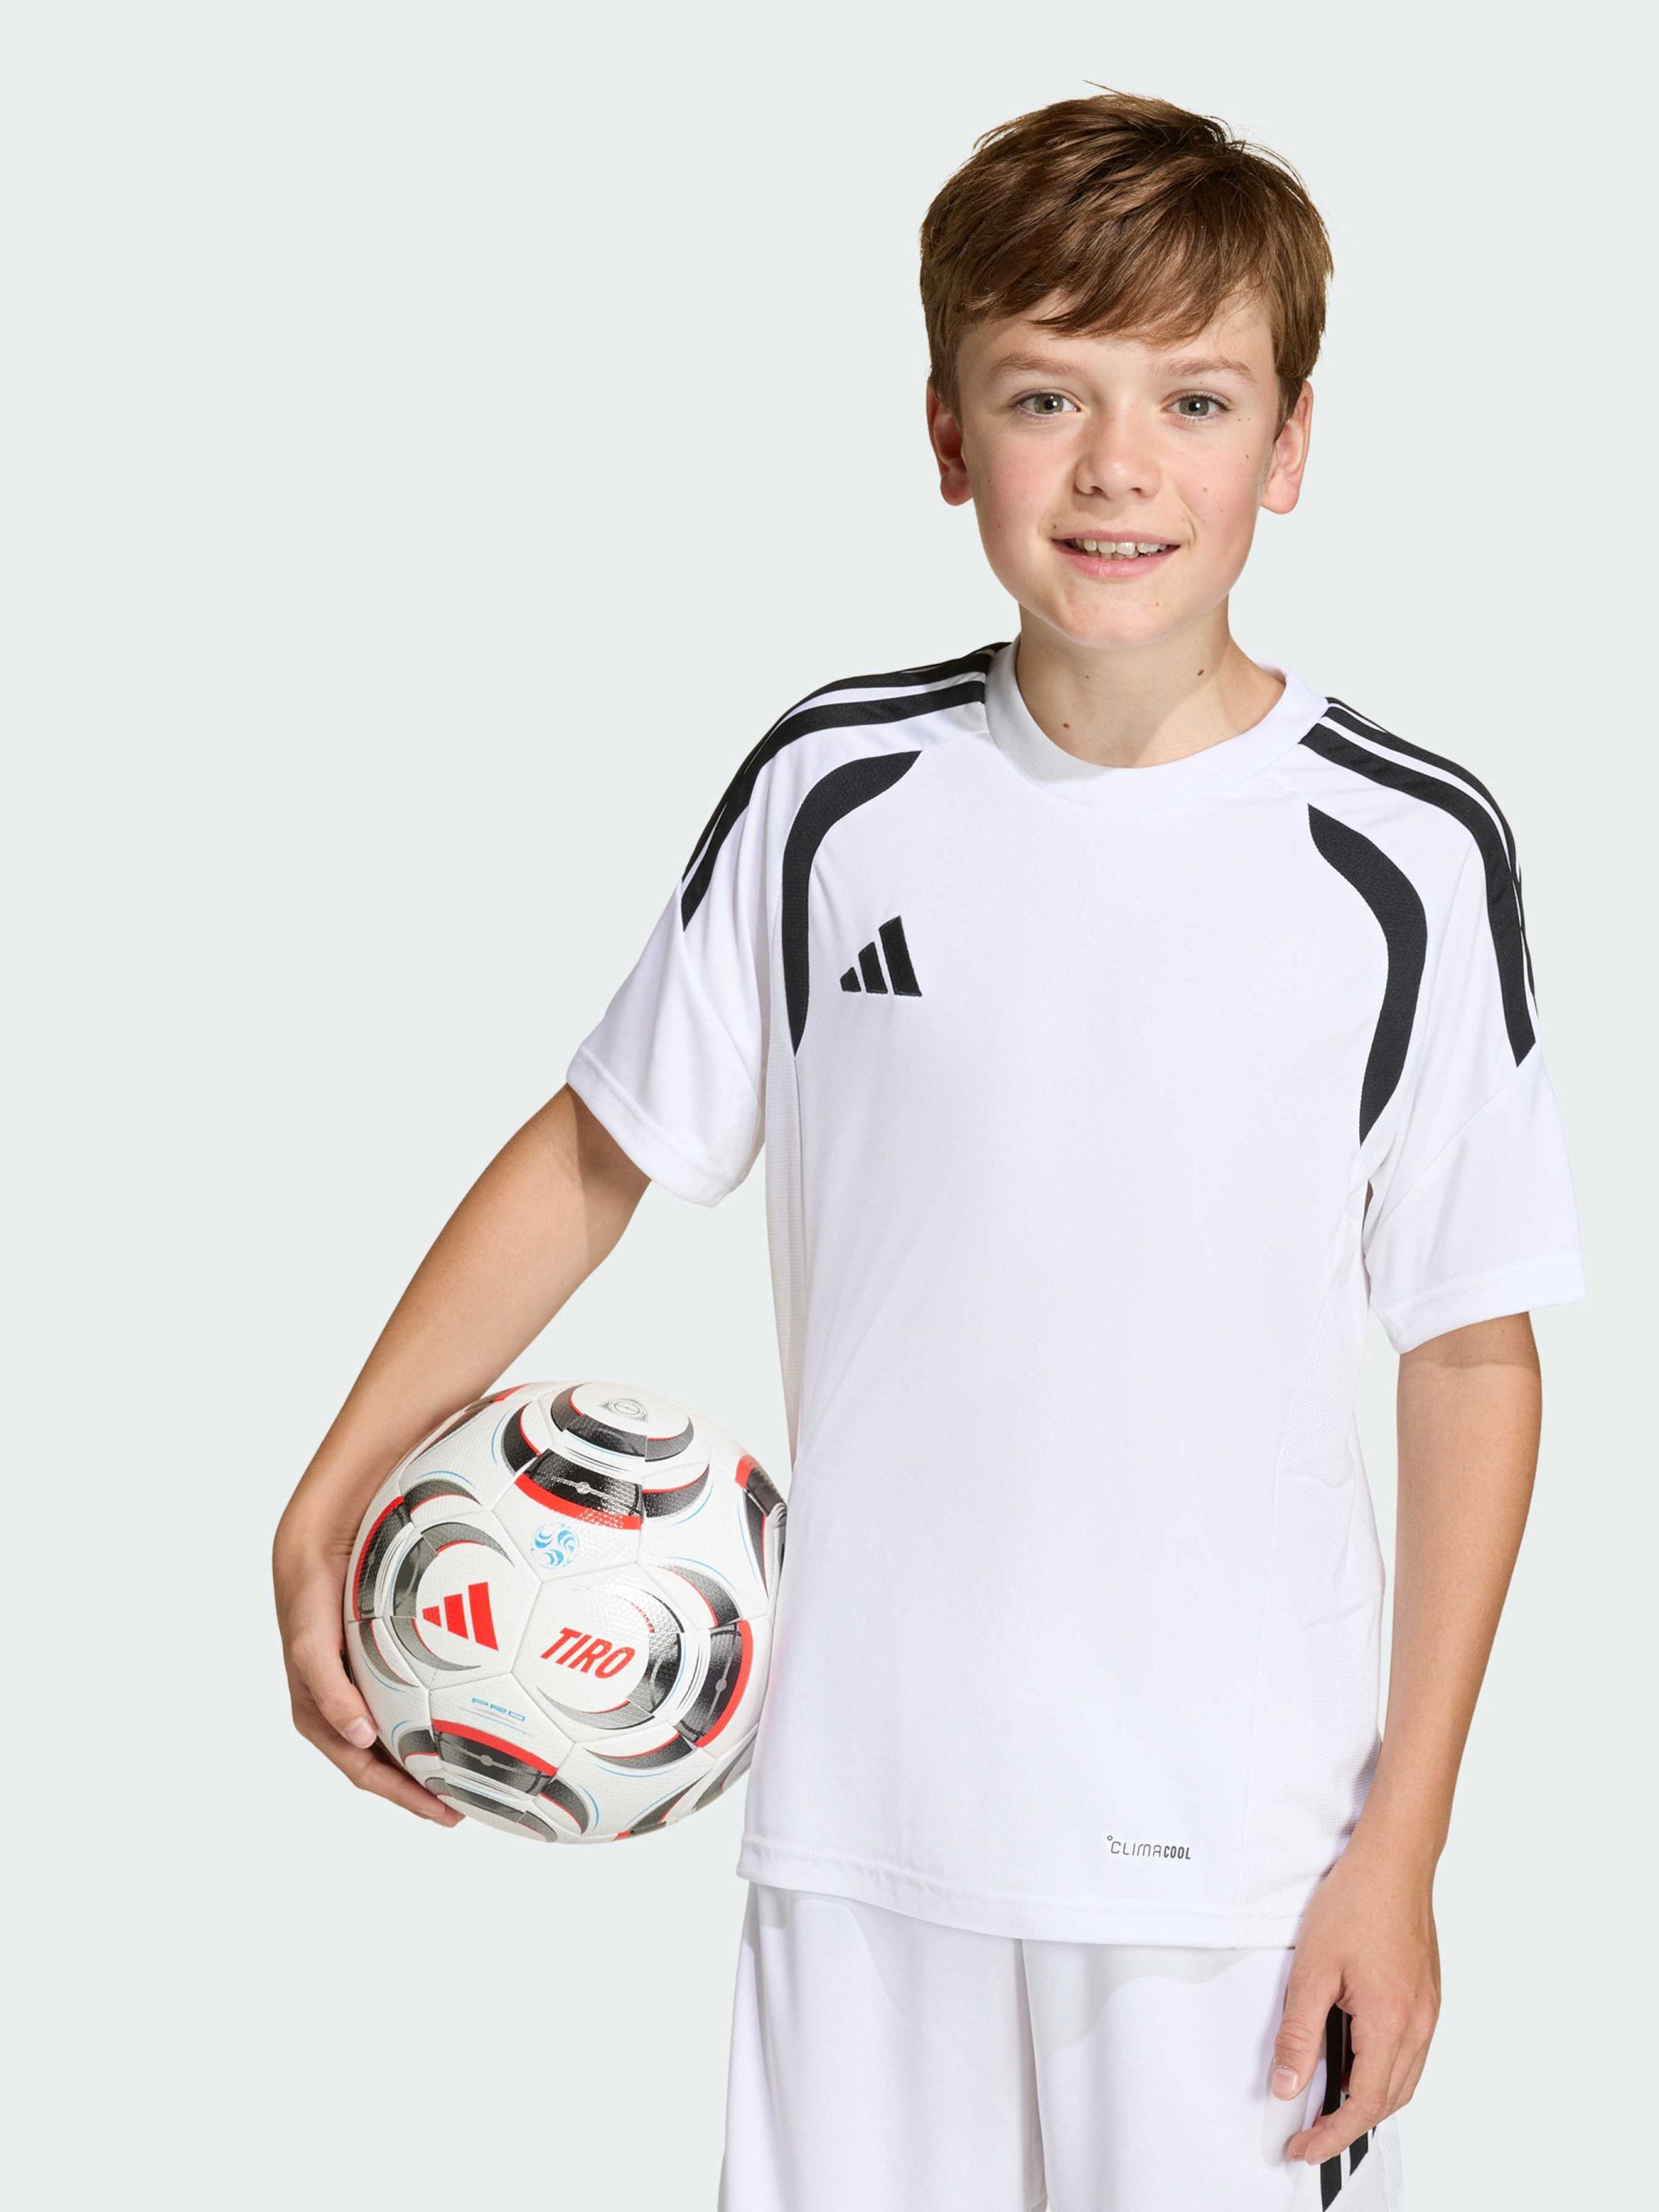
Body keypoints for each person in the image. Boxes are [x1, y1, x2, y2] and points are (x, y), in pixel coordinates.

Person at [274, 89, 1587, 2210]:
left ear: (1288, 446)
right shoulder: (832, 792)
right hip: (860, 1831)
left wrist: (1403, 1843)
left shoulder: (1405, 852)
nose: (1117, 466)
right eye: (1045, 394)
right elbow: (599, 1152)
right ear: (947, 433)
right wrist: (337, 1481)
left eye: (1194, 399)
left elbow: (1469, 1350)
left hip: (1236, 1876)